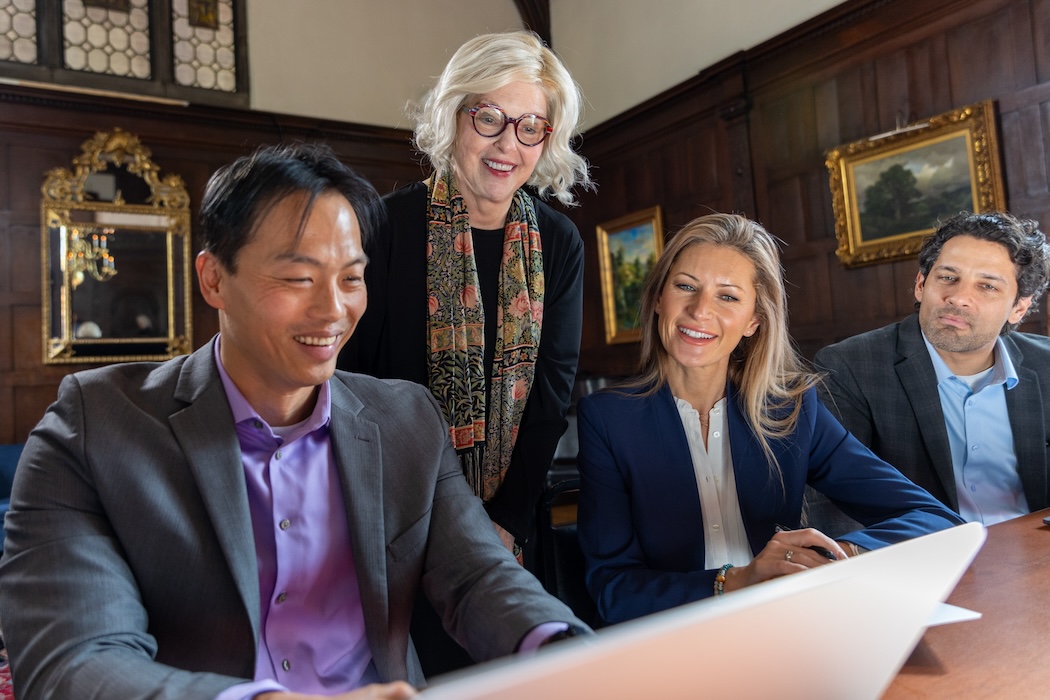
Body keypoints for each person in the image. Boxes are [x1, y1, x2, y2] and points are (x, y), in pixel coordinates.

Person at [0, 143, 587, 700]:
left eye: (351, 278)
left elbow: (480, 577)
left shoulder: (405, 421)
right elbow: (73, 663)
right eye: (298, 278)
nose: (332, 310)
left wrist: (562, 649)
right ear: (214, 280)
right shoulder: (94, 428)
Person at [336, 31, 591, 675]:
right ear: (453, 118)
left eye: (531, 127)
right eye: (490, 118)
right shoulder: (385, 225)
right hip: (388, 516)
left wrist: (501, 523)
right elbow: (353, 388)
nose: (509, 144)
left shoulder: (558, 243)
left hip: (508, 523)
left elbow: (551, 395)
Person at [576, 213, 963, 625]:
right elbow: (613, 591)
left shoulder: (792, 409)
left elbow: (936, 520)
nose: (699, 310)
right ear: (658, 299)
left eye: (728, 297)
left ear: (754, 321)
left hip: (785, 625)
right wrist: (735, 582)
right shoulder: (608, 419)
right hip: (673, 637)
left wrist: (832, 556)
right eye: (685, 286)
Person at [813, 211, 1050, 531]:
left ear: (1019, 307)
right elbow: (831, 499)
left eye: (987, 286)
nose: (959, 298)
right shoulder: (850, 367)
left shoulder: (1045, 365)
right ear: (921, 284)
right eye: (948, 277)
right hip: (922, 561)